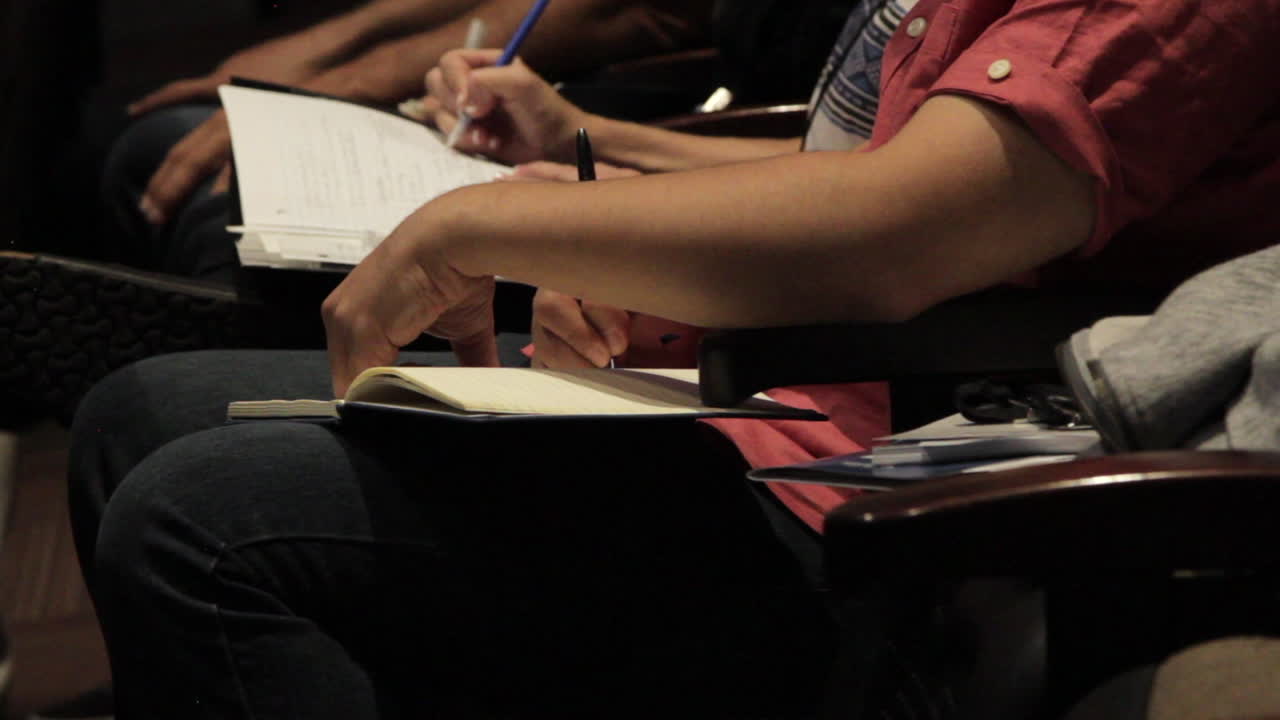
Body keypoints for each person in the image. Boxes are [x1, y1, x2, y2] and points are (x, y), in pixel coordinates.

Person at [69, 0, 1280, 717]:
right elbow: (849, 178)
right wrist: (633, 239)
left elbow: (903, 234)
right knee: (135, 418)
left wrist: (482, 223)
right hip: (782, 397)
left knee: (202, 525)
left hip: (908, 501)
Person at [102, 0, 715, 283]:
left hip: (681, 123)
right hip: (583, 129)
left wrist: (335, 87)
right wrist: (326, 48)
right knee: (155, 142)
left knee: (224, 222)